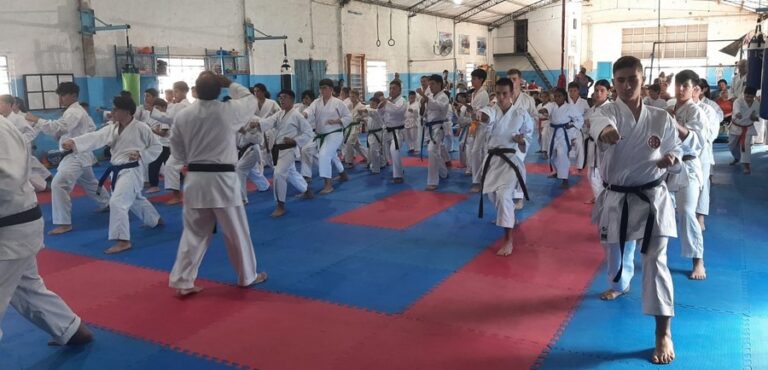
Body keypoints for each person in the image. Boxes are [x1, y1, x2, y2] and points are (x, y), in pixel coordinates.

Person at [591, 56, 680, 365]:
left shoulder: (660, 117)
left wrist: (672, 159)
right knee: (615, 253)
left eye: (633, 79)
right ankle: (619, 284)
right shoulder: (606, 112)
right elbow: (601, 125)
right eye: (621, 80)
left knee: (655, 261)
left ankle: (663, 331)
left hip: (653, 197)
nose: (627, 85)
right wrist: (607, 132)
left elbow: (675, 148)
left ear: (643, 80)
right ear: (614, 83)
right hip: (618, 196)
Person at [168, 72, 267, 296]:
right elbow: (250, 100)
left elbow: (176, 149)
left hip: (195, 180)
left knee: (193, 233)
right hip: (223, 180)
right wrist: (230, 83)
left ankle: (183, 282)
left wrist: (189, 160)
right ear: (219, 90)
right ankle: (247, 277)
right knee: (236, 232)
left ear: (195, 89)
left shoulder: (183, 115)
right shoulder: (228, 110)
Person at [0, 116, 94, 347]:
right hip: (17, 225)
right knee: (26, 286)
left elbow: (8, 182)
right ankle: (70, 329)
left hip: (11, 228)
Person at [62, 96, 163, 254]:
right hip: (117, 170)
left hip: (132, 170)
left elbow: (157, 147)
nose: (112, 112)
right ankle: (155, 220)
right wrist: (74, 142)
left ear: (127, 111)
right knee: (135, 198)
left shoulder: (141, 127)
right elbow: (96, 137)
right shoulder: (113, 128)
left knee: (117, 202)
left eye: (115, 109)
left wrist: (141, 154)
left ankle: (123, 240)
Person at [25, 82, 111, 235]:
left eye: (63, 96)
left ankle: (64, 223)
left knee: (58, 185)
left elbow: (61, 127)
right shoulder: (76, 111)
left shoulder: (74, 112)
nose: (60, 99)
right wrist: (64, 136)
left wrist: (37, 119)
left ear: (74, 96)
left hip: (75, 156)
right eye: (59, 96)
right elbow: (88, 128)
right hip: (81, 154)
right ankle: (107, 203)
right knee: (90, 183)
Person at [476, 78, 532, 256]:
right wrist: (479, 116)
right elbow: (486, 116)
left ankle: (508, 240)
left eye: (505, 94)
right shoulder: (492, 110)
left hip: (510, 160)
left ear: (512, 93)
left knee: (503, 195)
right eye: (498, 93)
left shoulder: (521, 114)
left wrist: (521, 141)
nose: (501, 97)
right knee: (492, 194)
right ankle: (509, 216)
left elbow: (528, 136)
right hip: (493, 160)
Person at [668, 70, 707, 280]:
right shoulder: (669, 108)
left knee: (686, 212)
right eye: (678, 85)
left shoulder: (696, 111)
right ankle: (655, 254)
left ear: (694, 89)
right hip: (667, 166)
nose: (681, 89)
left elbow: (698, 141)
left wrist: (675, 124)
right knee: (658, 211)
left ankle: (698, 261)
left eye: (685, 86)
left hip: (688, 166)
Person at [255, 90, 314, 217]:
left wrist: (295, 140)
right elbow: (268, 122)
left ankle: (280, 205)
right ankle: (306, 190)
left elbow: (309, 132)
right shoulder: (279, 114)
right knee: (291, 172)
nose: (281, 100)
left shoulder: (297, 115)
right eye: (280, 98)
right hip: (278, 149)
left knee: (279, 174)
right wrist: (257, 124)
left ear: (292, 100)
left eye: (284, 98)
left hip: (289, 150)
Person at [303, 79, 351, 194]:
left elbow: (348, 117)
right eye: (321, 88)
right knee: (306, 150)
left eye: (324, 88)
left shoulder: (338, 103)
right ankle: (307, 176)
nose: (322, 90)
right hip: (320, 135)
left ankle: (328, 185)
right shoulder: (316, 102)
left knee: (324, 155)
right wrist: (304, 114)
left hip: (335, 133)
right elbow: (309, 110)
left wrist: (337, 121)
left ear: (331, 89)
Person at [151, 81, 192, 205]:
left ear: (184, 92)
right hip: (186, 143)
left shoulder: (181, 106)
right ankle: (181, 195)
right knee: (173, 166)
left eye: (176, 91)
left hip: (184, 144)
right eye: (174, 91)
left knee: (171, 166)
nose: (174, 94)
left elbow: (167, 118)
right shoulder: (185, 106)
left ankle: (178, 196)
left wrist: (152, 111)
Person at [235, 84, 277, 202]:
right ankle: (264, 185)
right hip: (242, 149)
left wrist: (244, 132)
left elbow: (258, 139)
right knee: (251, 170)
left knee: (240, 169)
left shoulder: (255, 120)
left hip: (253, 149)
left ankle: (242, 199)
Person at [1, 96, 50, 192]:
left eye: (0, 104)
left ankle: (43, 185)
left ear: (9, 105)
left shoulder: (18, 118)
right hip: (7, 152)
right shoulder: (2, 120)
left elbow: (30, 133)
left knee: (25, 172)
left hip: (19, 150)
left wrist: (18, 140)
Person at [546, 87, 583, 188]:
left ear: (564, 97)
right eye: (555, 96)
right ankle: (557, 172)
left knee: (562, 155)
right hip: (553, 133)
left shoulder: (570, 107)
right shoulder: (552, 105)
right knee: (551, 155)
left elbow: (580, 119)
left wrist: (572, 125)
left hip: (563, 133)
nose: (557, 98)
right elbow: (547, 109)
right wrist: (543, 110)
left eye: (559, 96)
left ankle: (565, 179)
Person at [419, 74, 450, 191]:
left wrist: (426, 98)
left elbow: (439, 106)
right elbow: (424, 113)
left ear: (439, 84)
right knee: (435, 152)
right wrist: (423, 103)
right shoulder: (431, 96)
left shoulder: (443, 96)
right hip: (429, 128)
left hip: (438, 127)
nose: (430, 86)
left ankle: (433, 181)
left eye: (432, 84)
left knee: (432, 150)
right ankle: (444, 173)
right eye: (429, 84)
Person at [583, 80, 612, 204]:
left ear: (608, 92)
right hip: (592, 145)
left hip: (605, 146)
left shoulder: (611, 108)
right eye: (596, 90)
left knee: (601, 174)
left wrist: (594, 126)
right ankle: (599, 197)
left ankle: (603, 200)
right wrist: (587, 126)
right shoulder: (592, 109)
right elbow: (585, 128)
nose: (598, 93)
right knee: (592, 174)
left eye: (602, 90)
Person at [379, 80, 408, 183]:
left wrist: (386, 103)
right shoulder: (388, 101)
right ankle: (399, 169)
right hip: (387, 130)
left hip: (397, 131)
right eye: (390, 88)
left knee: (394, 151)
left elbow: (397, 111)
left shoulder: (402, 101)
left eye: (394, 88)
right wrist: (382, 106)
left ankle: (398, 176)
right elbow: (380, 113)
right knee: (389, 153)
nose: (391, 90)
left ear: (400, 90)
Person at [468, 69, 491, 193]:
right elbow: (473, 112)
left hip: (482, 126)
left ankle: (478, 181)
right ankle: (481, 177)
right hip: (475, 125)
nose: (472, 81)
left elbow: (481, 113)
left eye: (474, 78)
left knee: (476, 151)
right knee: (475, 151)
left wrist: (472, 113)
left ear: (481, 80)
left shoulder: (483, 94)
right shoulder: (474, 93)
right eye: (472, 78)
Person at [730, 86, 760, 174]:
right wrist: (738, 114)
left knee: (746, 146)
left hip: (748, 127)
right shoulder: (738, 101)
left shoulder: (756, 104)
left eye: (751, 97)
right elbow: (736, 110)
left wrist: (755, 117)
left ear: (754, 96)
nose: (749, 99)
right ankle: (737, 157)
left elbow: (757, 116)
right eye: (747, 96)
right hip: (736, 127)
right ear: (744, 94)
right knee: (731, 145)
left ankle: (746, 165)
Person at [342, 90, 368, 168]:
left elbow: (366, 117)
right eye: (350, 96)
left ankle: (349, 161)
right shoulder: (349, 105)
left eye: (353, 96)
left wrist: (362, 119)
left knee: (349, 142)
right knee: (357, 145)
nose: (351, 98)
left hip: (356, 126)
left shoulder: (361, 106)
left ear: (357, 96)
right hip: (348, 127)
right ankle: (368, 157)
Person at [568, 82, 590, 173]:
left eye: (575, 91)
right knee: (563, 147)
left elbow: (588, 114)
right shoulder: (566, 102)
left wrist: (583, 122)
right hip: (567, 127)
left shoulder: (584, 102)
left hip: (579, 128)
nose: (572, 93)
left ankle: (580, 166)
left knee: (579, 145)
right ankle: (564, 165)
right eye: (570, 91)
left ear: (578, 91)